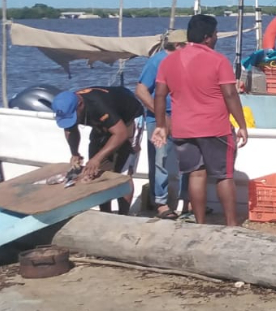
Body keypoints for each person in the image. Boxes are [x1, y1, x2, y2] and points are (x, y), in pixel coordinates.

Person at [151, 14, 248, 227]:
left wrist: (160, 125)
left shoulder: (169, 61)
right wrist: (242, 125)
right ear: (207, 38)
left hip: (184, 129)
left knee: (195, 175)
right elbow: (230, 94)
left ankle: (200, 224)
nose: (216, 38)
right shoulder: (218, 60)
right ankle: (232, 225)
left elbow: (158, 95)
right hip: (216, 127)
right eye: (215, 34)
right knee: (224, 176)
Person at [51, 85, 144, 214]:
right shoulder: (68, 106)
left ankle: (124, 215)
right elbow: (70, 129)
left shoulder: (98, 104)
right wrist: (75, 153)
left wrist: (97, 158)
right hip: (102, 124)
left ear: (80, 105)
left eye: (73, 117)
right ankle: (105, 213)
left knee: (122, 174)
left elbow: (121, 133)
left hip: (128, 120)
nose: (73, 121)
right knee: (97, 172)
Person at [135, 28, 187, 219]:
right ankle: (161, 203)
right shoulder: (157, 61)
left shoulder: (185, 61)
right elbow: (141, 90)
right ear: (179, 45)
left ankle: (185, 200)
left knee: (187, 159)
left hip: (183, 117)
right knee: (161, 160)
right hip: (158, 119)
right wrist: (161, 117)